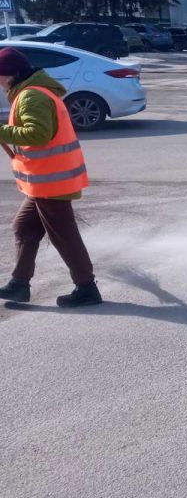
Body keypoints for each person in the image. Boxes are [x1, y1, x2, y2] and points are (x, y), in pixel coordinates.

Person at [0, 47, 101, 307]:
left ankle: (87, 288)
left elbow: (38, 134)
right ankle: (19, 285)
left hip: (51, 181)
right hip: (43, 181)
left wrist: (2, 130)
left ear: (10, 75)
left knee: (64, 236)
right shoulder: (29, 93)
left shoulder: (32, 96)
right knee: (23, 227)